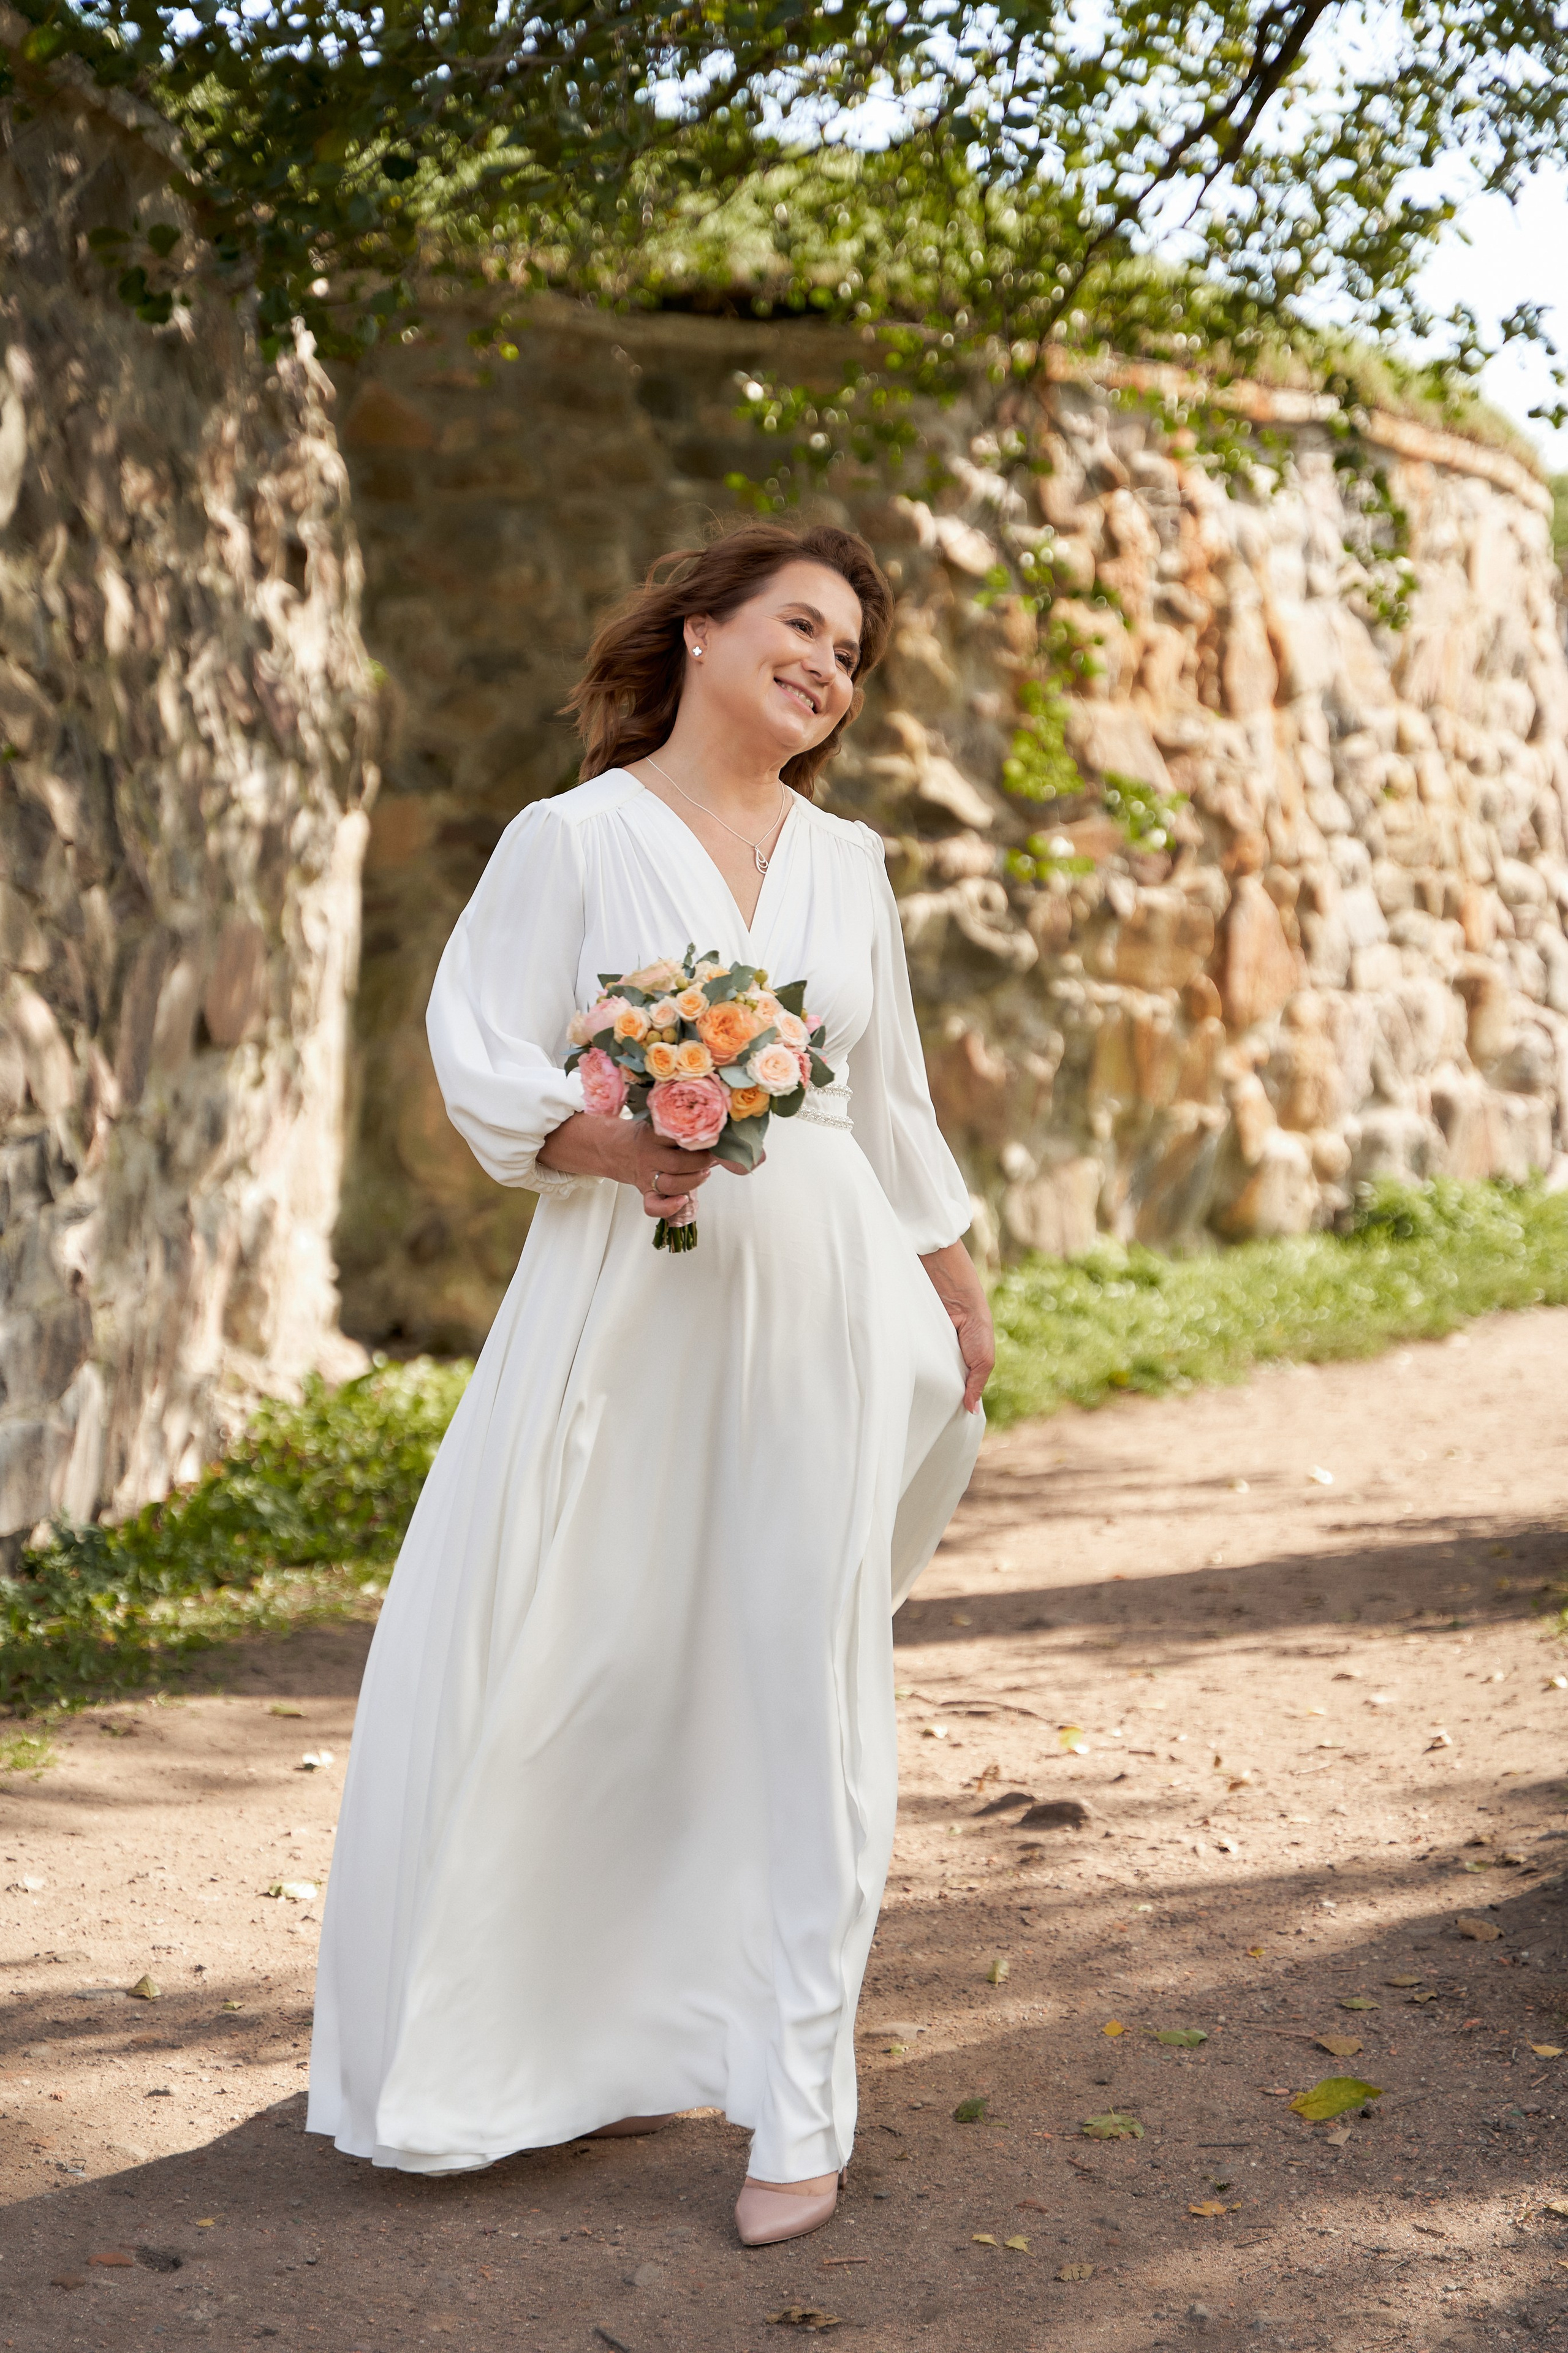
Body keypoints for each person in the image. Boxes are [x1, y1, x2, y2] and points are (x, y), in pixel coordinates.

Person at [306, 519, 995, 2249]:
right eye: (803, 626)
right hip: (630, 1299)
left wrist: (957, 1299)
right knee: (582, 1646)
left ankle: (798, 2101)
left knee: (809, 1672)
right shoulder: (575, 839)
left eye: (852, 654)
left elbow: (894, 1105)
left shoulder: (851, 871)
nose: (830, 667)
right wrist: (611, 1137)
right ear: (699, 630)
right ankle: (525, 2032)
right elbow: (483, 1044)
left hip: (829, 1302)